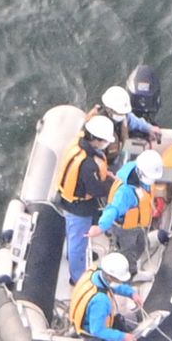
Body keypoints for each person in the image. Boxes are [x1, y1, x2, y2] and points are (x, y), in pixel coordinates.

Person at [55, 115, 117, 284]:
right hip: (78, 207)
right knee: (78, 244)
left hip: (72, 199)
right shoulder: (87, 166)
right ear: (96, 140)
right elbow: (96, 189)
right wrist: (113, 185)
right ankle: (78, 278)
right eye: (104, 140)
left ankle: (76, 263)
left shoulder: (80, 144)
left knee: (76, 236)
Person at [87, 149, 165, 261]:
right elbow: (113, 209)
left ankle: (144, 243)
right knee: (128, 255)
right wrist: (101, 227)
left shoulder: (138, 171)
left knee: (139, 243)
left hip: (139, 226)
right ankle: (130, 271)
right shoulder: (125, 193)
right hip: (126, 230)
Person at [69, 252, 143, 341]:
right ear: (109, 277)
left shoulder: (94, 273)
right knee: (128, 329)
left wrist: (131, 293)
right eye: (118, 279)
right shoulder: (101, 301)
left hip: (84, 321)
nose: (120, 282)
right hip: (91, 332)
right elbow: (97, 330)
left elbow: (114, 286)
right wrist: (123, 337)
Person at [87, 85, 164, 161]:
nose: (122, 116)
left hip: (121, 151)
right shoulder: (97, 127)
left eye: (123, 113)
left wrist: (149, 128)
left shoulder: (124, 116)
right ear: (109, 109)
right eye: (120, 113)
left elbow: (134, 121)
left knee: (149, 148)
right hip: (109, 161)